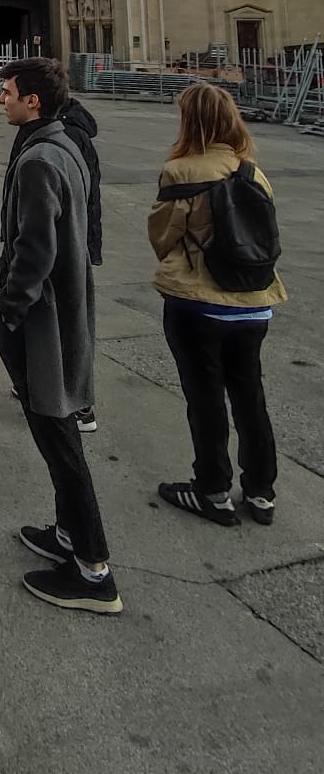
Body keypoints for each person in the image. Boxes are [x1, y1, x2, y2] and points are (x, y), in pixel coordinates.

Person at [0, 58, 122, 615]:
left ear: (33, 102)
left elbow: (35, 248)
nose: (1, 100)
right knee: (58, 430)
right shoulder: (66, 146)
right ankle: (69, 534)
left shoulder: (41, 160)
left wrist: (11, 306)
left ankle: (94, 571)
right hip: (66, 307)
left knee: (60, 439)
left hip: (43, 319)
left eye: (7, 92)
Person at [148, 83, 286, 528]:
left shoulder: (181, 171)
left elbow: (162, 235)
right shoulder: (253, 172)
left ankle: (213, 490)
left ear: (190, 122)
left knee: (205, 398)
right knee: (250, 396)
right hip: (254, 303)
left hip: (200, 302)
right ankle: (261, 491)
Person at [61, 94, 103, 433]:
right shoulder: (68, 131)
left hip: (69, 243)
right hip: (72, 239)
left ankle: (81, 405)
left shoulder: (68, 135)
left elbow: (79, 195)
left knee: (72, 323)